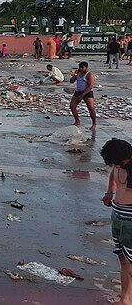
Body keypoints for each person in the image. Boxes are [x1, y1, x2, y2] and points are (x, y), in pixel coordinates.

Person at [100, 138, 132, 305]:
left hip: (130, 219)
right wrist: (109, 191)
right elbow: (114, 171)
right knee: (123, 259)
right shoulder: (119, 163)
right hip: (117, 215)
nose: (117, 166)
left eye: (120, 163)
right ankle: (125, 299)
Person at [70, 61, 97, 129]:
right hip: (78, 91)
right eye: (80, 67)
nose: (81, 69)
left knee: (91, 108)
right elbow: (71, 81)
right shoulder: (78, 73)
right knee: (72, 106)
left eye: (83, 68)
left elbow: (90, 86)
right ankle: (77, 121)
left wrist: (83, 95)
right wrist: (75, 75)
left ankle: (94, 123)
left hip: (87, 92)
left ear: (86, 67)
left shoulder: (89, 75)